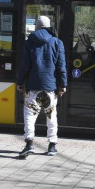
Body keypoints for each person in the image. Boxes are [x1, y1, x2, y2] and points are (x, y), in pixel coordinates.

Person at [16, 15, 67, 158]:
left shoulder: (29, 42)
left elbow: (25, 66)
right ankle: (52, 146)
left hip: (33, 87)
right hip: (50, 88)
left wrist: (20, 82)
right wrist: (62, 85)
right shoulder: (57, 43)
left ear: (37, 27)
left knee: (30, 116)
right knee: (51, 116)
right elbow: (61, 67)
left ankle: (29, 143)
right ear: (49, 27)